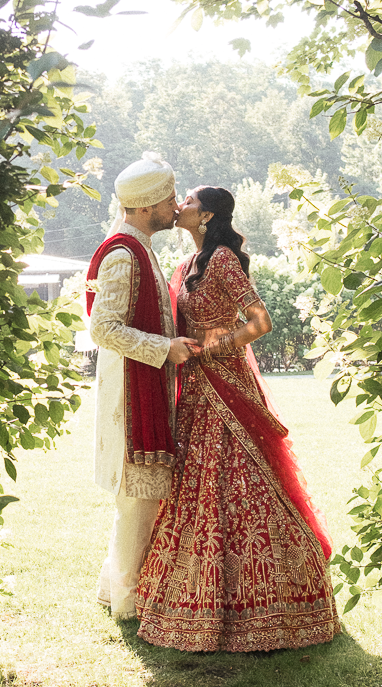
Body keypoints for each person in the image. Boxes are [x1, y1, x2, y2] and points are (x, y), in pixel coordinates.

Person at [135, 186, 339, 653]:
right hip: (196, 392)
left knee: (244, 485)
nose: (177, 204)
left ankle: (277, 604)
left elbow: (260, 322)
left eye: (185, 199)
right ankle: (195, 598)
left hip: (227, 385)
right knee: (198, 487)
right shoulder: (187, 266)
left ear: (205, 214)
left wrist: (214, 347)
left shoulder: (223, 259)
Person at [86, 153, 198, 619]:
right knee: (136, 501)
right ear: (147, 204)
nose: (175, 207)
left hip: (140, 387)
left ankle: (114, 592)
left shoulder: (138, 246)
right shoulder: (122, 253)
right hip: (130, 398)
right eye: (169, 200)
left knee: (138, 502)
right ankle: (129, 607)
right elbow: (103, 328)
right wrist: (164, 348)